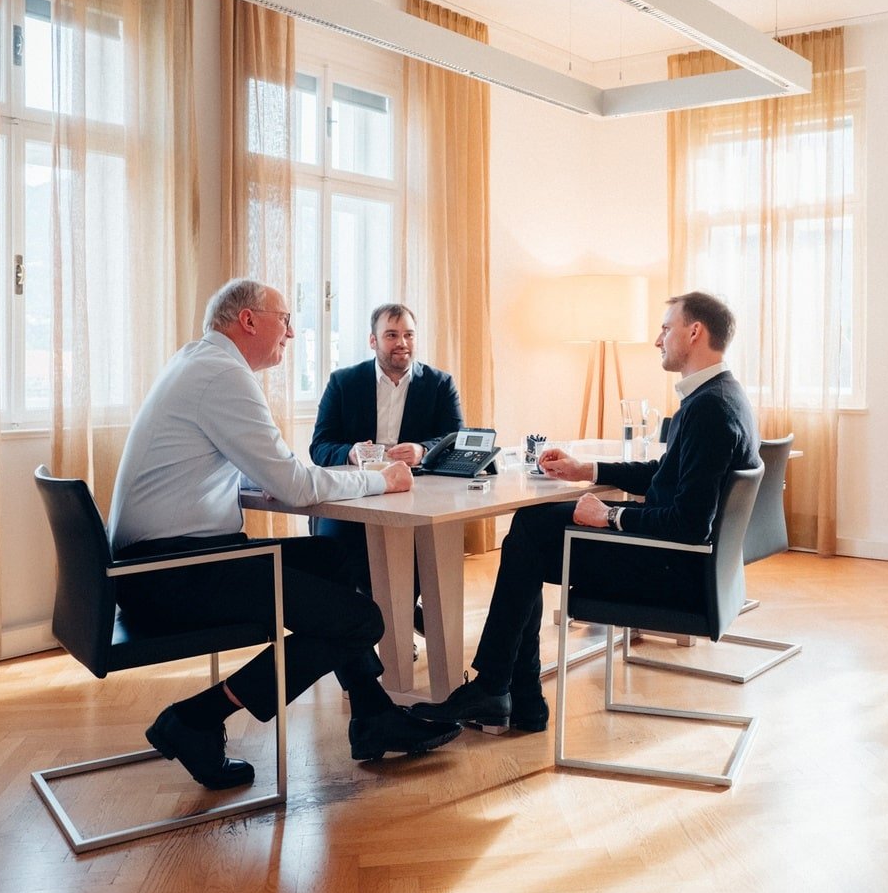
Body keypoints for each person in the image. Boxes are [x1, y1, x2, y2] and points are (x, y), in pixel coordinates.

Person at [108, 279, 461, 792]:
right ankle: (197, 717)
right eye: (284, 318)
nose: (292, 332)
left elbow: (256, 470)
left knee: (333, 559)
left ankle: (372, 713)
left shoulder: (200, 363)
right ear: (248, 320)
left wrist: (270, 479)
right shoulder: (221, 375)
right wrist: (381, 479)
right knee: (361, 620)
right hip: (173, 574)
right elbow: (296, 483)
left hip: (165, 564)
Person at [409, 291, 760, 734]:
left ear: (695, 332)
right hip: (686, 562)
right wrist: (585, 469)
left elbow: (689, 525)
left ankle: (501, 689)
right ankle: (514, 696)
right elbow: (665, 474)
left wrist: (610, 518)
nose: (658, 340)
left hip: (672, 572)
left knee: (530, 535)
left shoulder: (710, 408)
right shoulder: (720, 395)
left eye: (666, 328)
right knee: (532, 530)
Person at [309, 303, 463, 626]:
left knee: (429, 545)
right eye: (391, 335)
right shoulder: (343, 382)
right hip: (353, 496)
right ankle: (359, 630)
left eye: (408, 334)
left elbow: (457, 439)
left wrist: (424, 450)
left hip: (414, 496)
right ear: (373, 341)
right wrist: (350, 453)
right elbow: (319, 446)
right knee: (334, 550)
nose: (402, 343)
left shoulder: (440, 384)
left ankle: (398, 620)